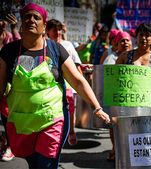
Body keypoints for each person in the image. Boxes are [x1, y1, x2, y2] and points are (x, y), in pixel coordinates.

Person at [0, 3, 110, 168]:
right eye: (27, 17)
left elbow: (78, 81)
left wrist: (97, 108)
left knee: (46, 165)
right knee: (34, 164)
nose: (31, 20)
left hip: (53, 120)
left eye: (36, 17)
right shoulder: (8, 52)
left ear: (44, 26)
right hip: (21, 121)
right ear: (22, 24)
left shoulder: (56, 50)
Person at [46, 19, 83, 146]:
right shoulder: (43, 46)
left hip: (68, 86)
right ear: (47, 31)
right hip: (49, 87)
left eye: (59, 29)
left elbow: (77, 64)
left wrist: (82, 83)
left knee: (69, 109)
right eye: (54, 29)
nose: (58, 32)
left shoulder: (68, 45)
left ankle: (71, 131)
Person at [103, 30, 132, 162]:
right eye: (122, 41)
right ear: (117, 44)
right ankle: (115, 149)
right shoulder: (111, 58)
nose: (125, 43)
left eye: (127, 40)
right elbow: (108, 76)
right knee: (114, 125)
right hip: (116, 97)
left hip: (132, 99)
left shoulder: (135, 56)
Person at [0, 13, 21, 162]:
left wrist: (14, 29)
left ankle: (10, 145)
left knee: (6, 115)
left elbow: (21, 48)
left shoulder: (9, 37)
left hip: (5, 84)